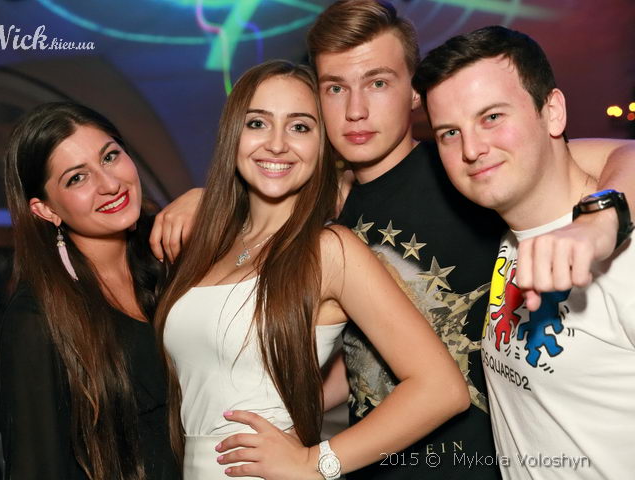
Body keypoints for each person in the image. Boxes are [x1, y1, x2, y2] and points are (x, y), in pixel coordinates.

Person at [150, 2, 635, 479]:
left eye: (378, 83)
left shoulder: (463, 167)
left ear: (415, 93)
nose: (356, 110)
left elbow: (610, 154)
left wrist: (601, 219)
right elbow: (361, 355)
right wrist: (212, 199)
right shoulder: (330, 212)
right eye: (335, 88)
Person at [156, 59, 470, 480]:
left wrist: (317, 462)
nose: (277, 144)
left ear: (322, 145)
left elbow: (442, 389)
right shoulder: (208, 248)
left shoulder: (330, 251)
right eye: (257, 123)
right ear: (233, 135)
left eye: (300, 127)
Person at [412, 25, 635, 480]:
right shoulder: (513, 227)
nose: (472, 149)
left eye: (492, 117)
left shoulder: (622, 256)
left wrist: (599, 222)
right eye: (450, 132)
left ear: (552, 112)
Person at [0, 102, 178, 480]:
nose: (110, 184)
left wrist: (203, 201)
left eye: (110, 156)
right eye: (77, 178)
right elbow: (36, 469)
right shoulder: (36, 318)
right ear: (46, 210)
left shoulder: (170, 259)